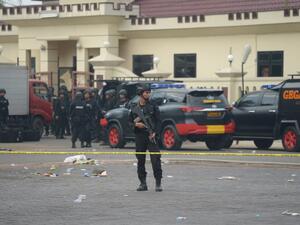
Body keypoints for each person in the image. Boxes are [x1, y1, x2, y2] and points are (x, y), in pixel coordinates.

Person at [129, 84, 163, 192]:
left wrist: (155, 133)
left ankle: (158, 183)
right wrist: (136, 125)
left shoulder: (153, 106)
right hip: (140, 136)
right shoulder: (134, 107)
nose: (148, 94)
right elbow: (129, 121)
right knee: (140, 160)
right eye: (146, 92)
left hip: (151, 135)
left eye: (149, 92)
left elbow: (159, 121)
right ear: (141, 94)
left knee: (156, 160)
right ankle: (143, 183)